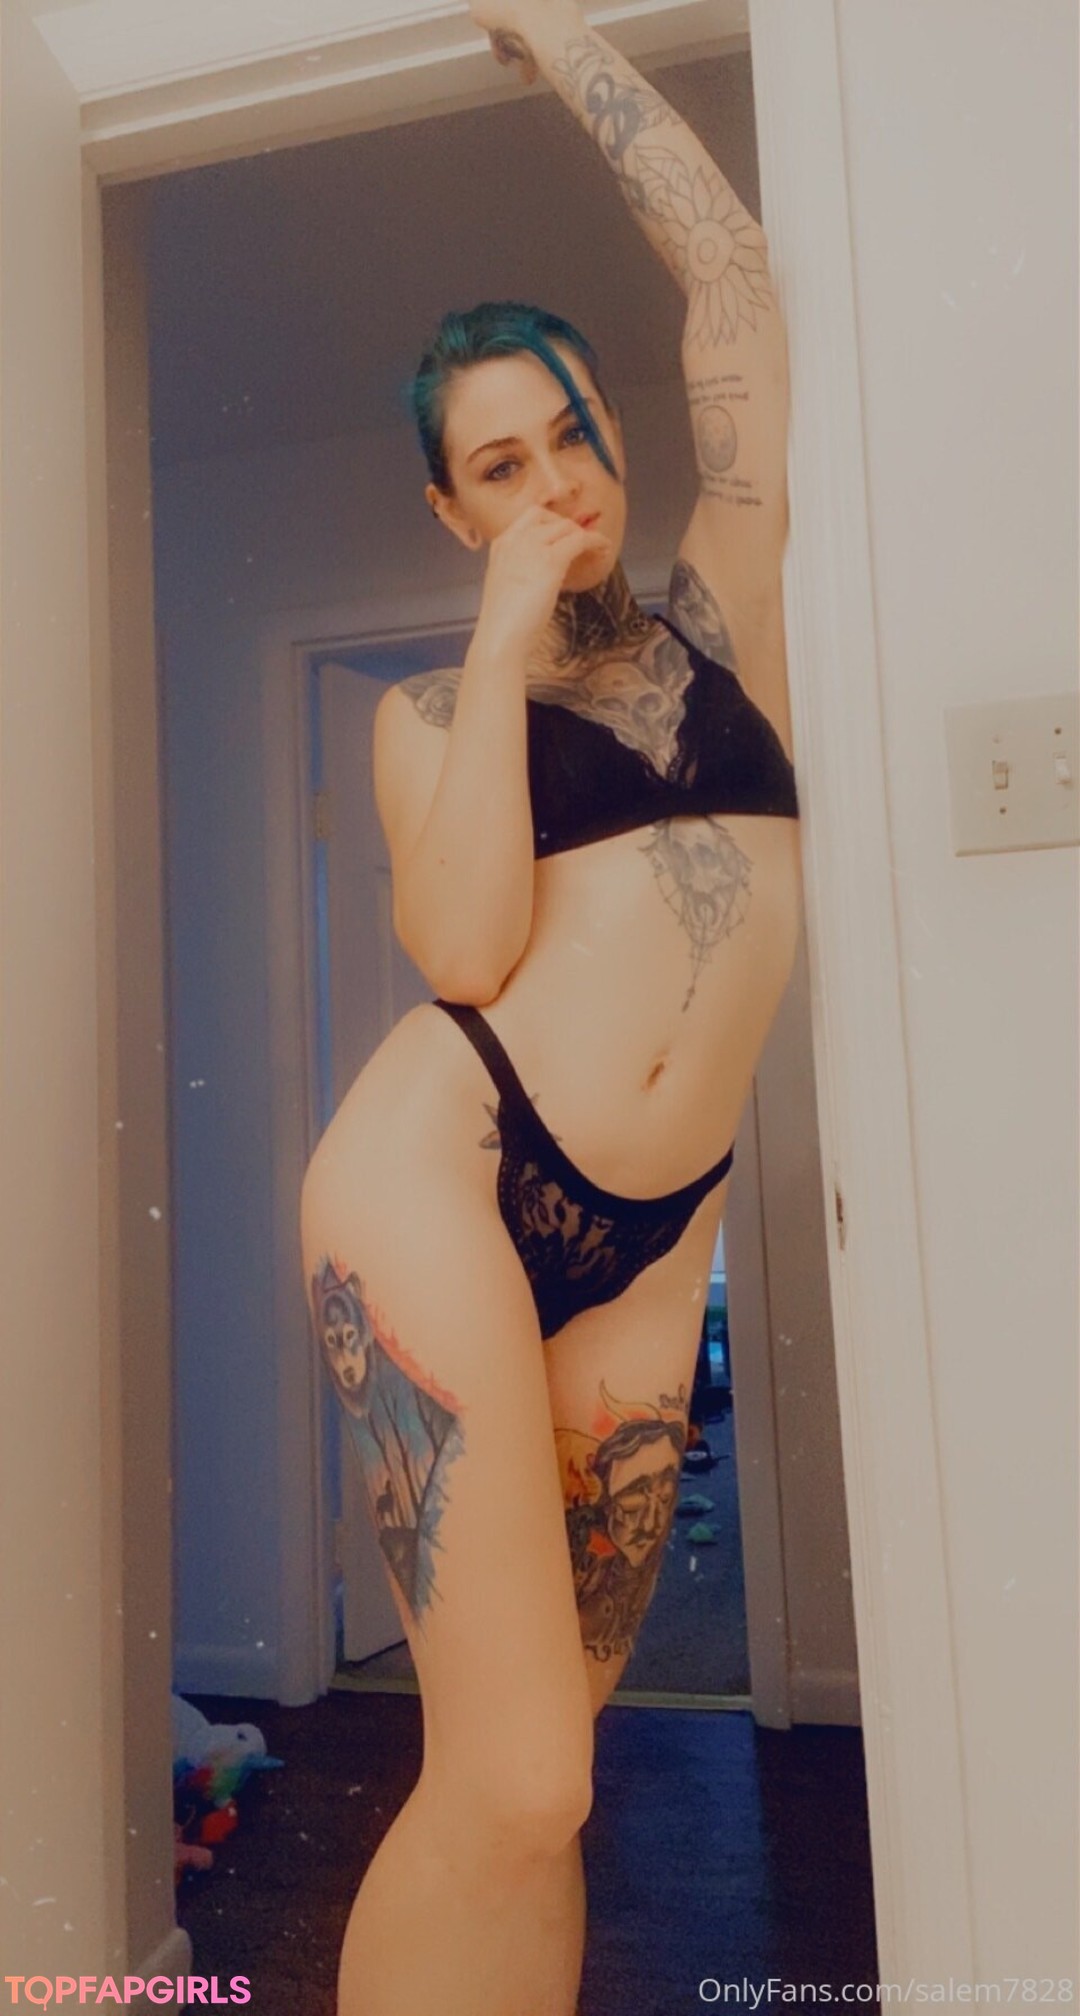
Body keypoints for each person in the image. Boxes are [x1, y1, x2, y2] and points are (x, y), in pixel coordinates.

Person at [300, 3, 801, 2010]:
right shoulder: (434, 713)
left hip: (647, 1236)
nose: (552, 484)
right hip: (444, 1167)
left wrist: (568, 34)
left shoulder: (718, 622)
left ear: (613, 433)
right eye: (497, 467)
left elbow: (736, 280)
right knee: (508, 1770)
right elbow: (463, 952)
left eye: (570, 436)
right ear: (451, 508)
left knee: (554, 1775)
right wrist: (505, 636)